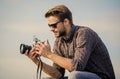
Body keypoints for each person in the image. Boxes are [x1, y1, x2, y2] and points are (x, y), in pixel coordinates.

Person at [25, 5, 115, 79]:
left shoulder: (84, 33)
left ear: (66, 21)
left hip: (102, 77)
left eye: (54, 25)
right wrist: (36, 61)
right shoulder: (59, 42)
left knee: (74, 75)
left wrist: (49, 54)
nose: (51, 29)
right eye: (49, 26)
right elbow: (58, 74)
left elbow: (77, 67)